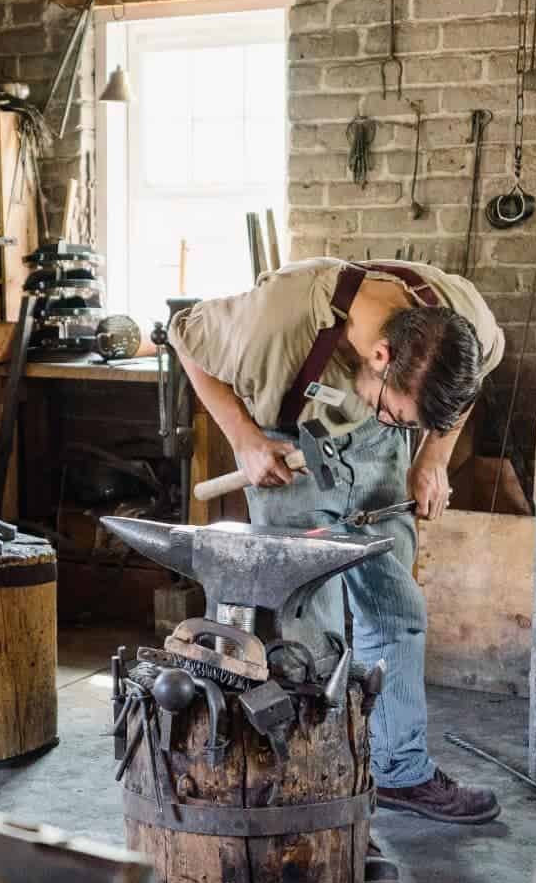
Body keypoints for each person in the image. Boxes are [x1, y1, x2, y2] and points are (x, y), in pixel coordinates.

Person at [171, 256, 506, 836]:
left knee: (396, 607)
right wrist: (244, 439)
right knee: (310, 634)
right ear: (380, 357)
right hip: (289, 451)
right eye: (406, 412)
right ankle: (316, 791)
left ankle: (398, 771)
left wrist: (431, 454)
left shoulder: (462, 315)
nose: (413, 422)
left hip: (377, 448)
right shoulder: (279, 316)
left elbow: (464, 387)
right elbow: (185, 339)